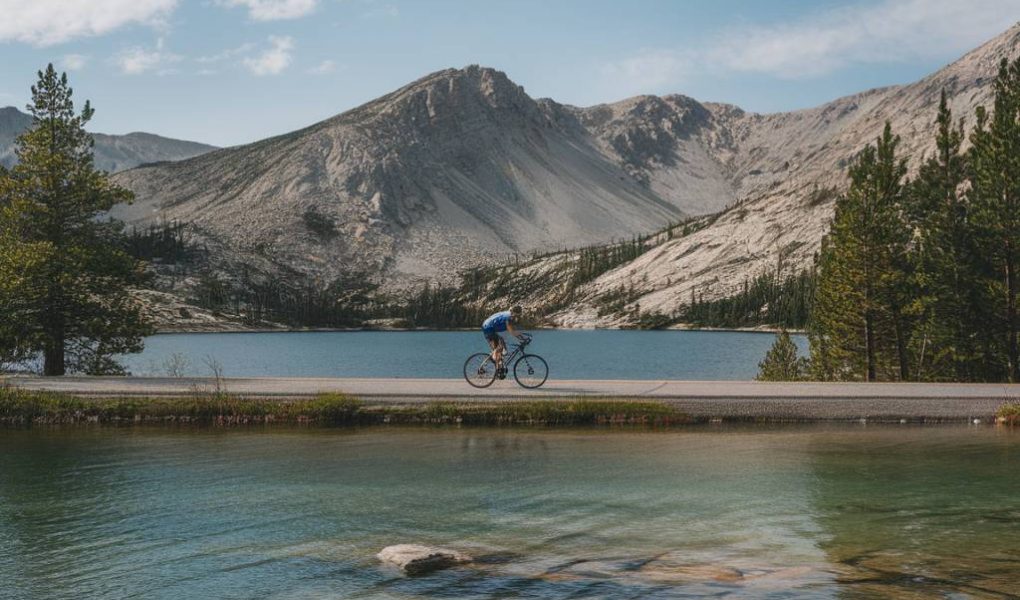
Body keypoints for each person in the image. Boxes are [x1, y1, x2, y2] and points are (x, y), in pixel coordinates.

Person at [481, 306, 524, 375]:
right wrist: (522, 338)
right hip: (488, 328)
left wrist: (521, 337)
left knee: (503, 348)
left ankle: (499, 369)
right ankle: (493, 361)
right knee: (499, 348)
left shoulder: (509, 314)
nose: (518, 317)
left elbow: (512, 330)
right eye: (518, 315)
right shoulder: (508, 318)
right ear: (515, 313)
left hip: (491, 327)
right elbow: (511, 331)